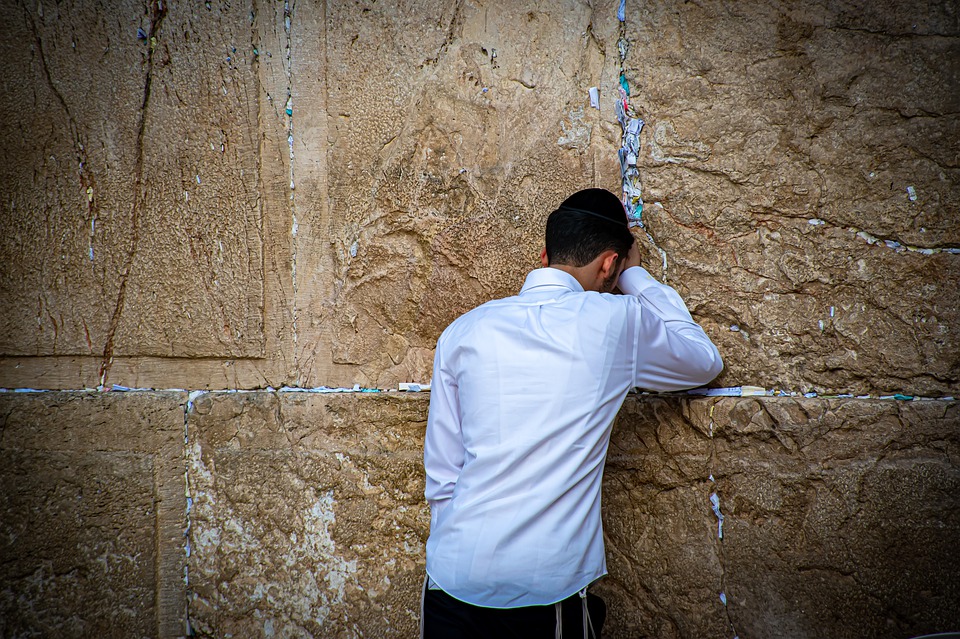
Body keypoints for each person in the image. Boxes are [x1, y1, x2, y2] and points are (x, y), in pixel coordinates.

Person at [421, 188, 723, 638]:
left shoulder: (464, 330)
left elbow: (443, 476)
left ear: (545, 254)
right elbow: (703, 360)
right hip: (545, 590)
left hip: (451, 579)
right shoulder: (617, 321)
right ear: (609, 265)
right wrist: (636, 276)